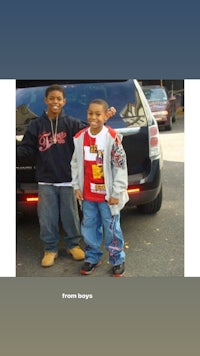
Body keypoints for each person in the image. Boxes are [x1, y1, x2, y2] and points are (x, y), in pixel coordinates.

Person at [17, 84, 116, 268]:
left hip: (68, 179)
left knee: (71, 216)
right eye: (52, 98)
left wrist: (105, 119)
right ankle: (50, 249)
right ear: (46, 100)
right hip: (46, 180)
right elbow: (27, 149)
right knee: (47, 217)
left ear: (64, 101)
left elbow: (91, 131)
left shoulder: (71, 123)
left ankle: (73, 245)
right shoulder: (36, 125)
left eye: (59, 99)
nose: (55, 102)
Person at [71, 99, 129, 277]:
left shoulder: (111, 137)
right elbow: (75, 163)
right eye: (90, 113)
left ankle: (117, 258)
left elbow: (120, 165)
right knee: (89, 227)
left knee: (112, 229)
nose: (93, 117)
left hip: (107, 197)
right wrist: (76, 186)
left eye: (98, 114)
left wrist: (117, 192)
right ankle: (92, 257)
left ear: (106, 116)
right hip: (88, 196)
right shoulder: (80, 138)